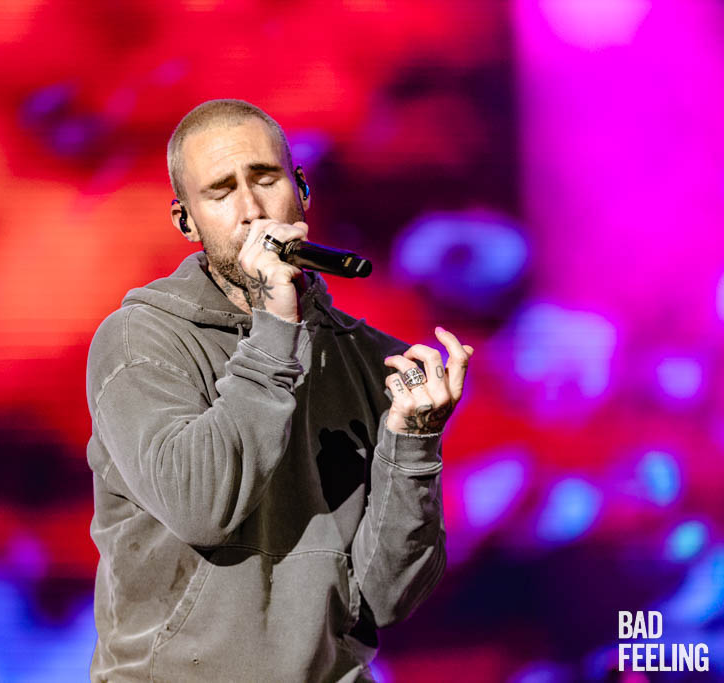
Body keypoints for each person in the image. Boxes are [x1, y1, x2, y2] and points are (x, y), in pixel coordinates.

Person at [85, 99, 474, 682]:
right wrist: (276, 329)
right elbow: (203, 507)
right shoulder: (139, 341)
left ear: (302, 191)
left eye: (265, 179)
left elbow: (388, 597)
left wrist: (413, 447)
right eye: (220, 191)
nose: (250, 210)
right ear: (185, 221)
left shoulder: (368, 359)